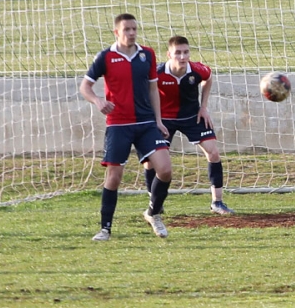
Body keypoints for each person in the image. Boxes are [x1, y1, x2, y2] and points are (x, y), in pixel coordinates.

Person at [80, 13, 172, 240]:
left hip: (146, 123)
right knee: (114, 176)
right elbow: (85, 86)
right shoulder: (106, 56)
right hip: (119, 124)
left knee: (166, 170)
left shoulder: (147, 54)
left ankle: (153, 214)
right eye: (126, 29)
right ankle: (105, 229)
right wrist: (98, 101)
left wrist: (158, 121)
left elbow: (153, 90)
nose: (131, 33)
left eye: (134, 29)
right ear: (116, 32)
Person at [144, 36, 233, 214]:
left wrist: (204, 107)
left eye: (186, 52)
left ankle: (217, 202)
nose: (182, 57)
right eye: (178, 53)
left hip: (193, 117)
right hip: (164, 119)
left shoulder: (197, 70)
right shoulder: (158, 72)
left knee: (213, 152)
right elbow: (146, 92)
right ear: (169, 54)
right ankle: (155, 203)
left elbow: (208, 78)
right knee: (150, 161)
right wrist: (155, 120)